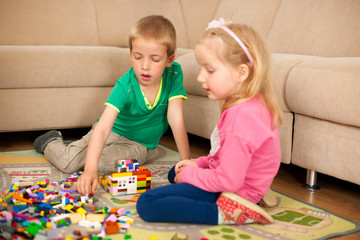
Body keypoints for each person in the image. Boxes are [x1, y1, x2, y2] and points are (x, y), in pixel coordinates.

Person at [136, 18, 283, 225]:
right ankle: (255, 193)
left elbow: (228, 180)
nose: (200, 77)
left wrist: (191, 175)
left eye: (210, 70)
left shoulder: (240, 118)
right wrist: (197, 164)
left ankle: (228, 213)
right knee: (175, 171)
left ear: (242, 72)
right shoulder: (251, 104)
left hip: (233, 190)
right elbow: (221, 157)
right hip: (241, 179)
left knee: (148, 203)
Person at [33, 15, 190, 196]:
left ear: (169, 60)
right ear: (131, 55)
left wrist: (186, 163)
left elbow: (175, 118)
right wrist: (89, 171)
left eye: (155, 59)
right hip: (112, 132)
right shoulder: (125, 85)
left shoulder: (174, 74)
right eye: (138, 57)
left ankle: (82, 150)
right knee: (69, 163)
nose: (145, 66)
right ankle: (51, 141)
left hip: (138, 145)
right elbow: (103, 129)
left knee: (101, 163)